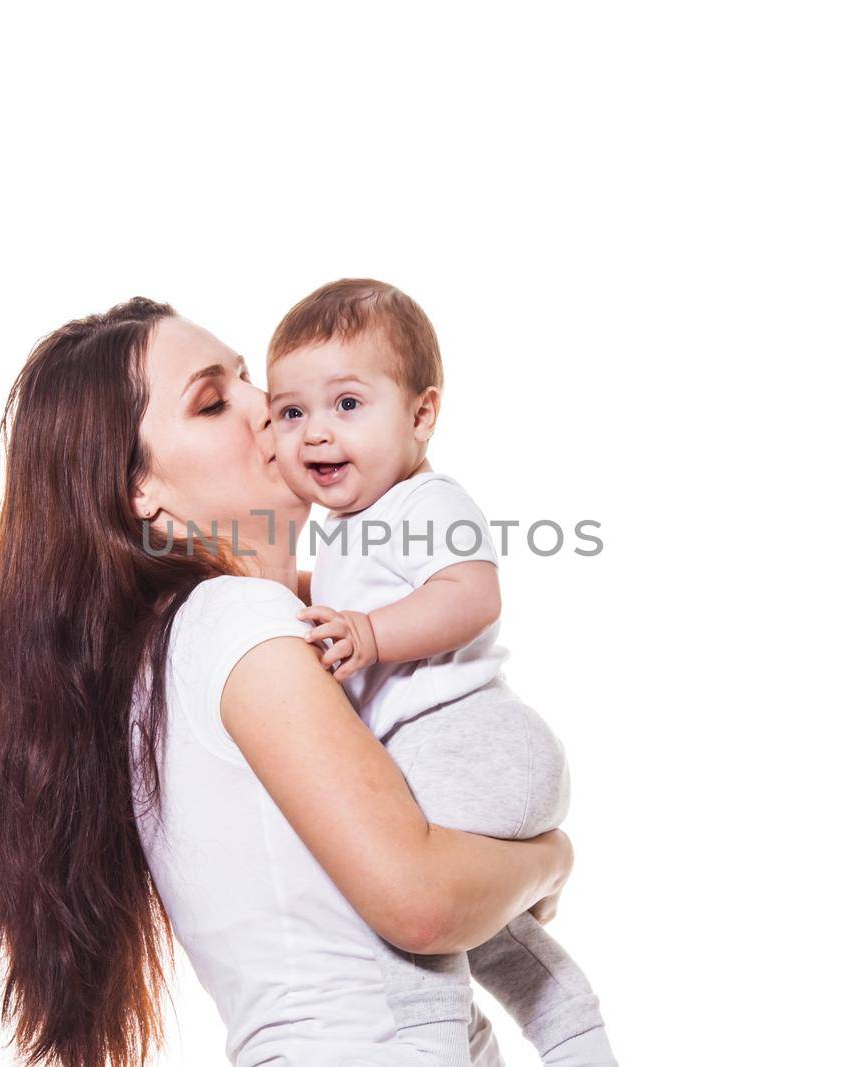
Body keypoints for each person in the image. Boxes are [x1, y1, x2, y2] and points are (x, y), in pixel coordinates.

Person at [0, 297, 575, 1067]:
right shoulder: (240, 622)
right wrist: (551, 857)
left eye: (248, 378)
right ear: (144, 492)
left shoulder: (200, 636)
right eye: (213, 402)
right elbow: (422, 901)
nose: (266, 407)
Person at [264, 279, 616, 1066]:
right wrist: (303, 594)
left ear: (422, 415)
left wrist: (369, 631)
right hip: (460, 756)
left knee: (394, 902)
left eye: (347, 404)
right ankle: (577, 1039)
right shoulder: (359, 526)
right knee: (493, 938)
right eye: (291, 413)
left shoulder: (427, 499)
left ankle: (427, 1048)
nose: (315, 433)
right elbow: (357, 592)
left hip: (464, 743)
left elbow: (470, 592)